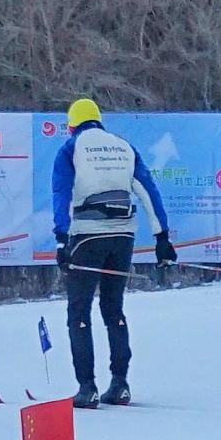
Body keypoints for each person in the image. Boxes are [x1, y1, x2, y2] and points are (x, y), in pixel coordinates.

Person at [52, 98, 175, 408]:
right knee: (113, 309)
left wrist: (61, 240)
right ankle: (120, 383)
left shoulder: (70, 149)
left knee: (79, 312)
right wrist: (162, 238)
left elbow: (62, 194)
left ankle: (87, 387)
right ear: (98, 120)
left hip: (86, 238)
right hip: (123, 237)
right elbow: (149, 192)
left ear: (72, 125)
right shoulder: (124, 146)